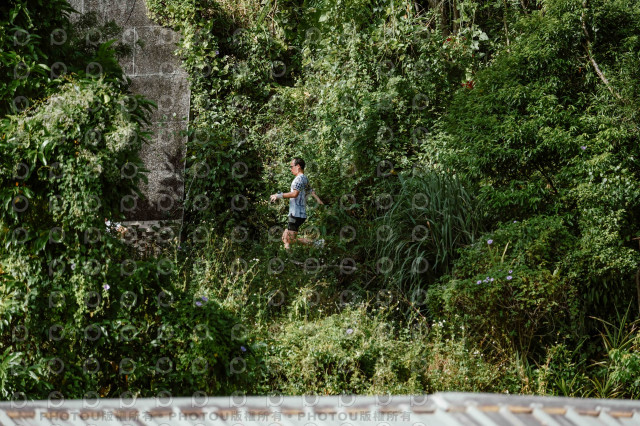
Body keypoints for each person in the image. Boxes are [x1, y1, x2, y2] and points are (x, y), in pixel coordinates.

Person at [270, 157, 325, 250]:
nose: (290, 169)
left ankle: (316, 244)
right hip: (299, 213)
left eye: (291, 166)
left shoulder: (299, 179)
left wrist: (278, 195)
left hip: (296, 213)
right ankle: (288, 254)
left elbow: (295, 194)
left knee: (289, 240)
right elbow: (311, 191)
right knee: (286, 238)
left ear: (298, 166)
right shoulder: (304, 178)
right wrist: (319, 201)